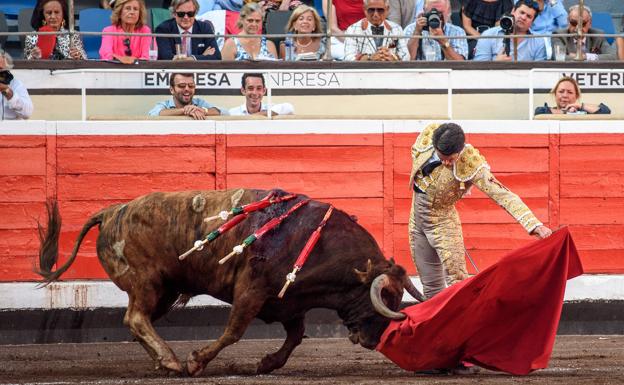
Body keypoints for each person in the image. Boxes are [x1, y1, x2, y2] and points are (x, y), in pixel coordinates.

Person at [408, 122, 551, 299]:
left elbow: (503, 194)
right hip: (416, 222)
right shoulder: (427, 137)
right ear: (434, 145)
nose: (445, 162)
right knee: (430, 286)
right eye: (441, 156)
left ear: (460, 150)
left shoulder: (472, 163)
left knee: (457, 281)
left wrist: (534, 224)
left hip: (443, 224)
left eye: (451, 159)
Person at [473, 0, 547, 61]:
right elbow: (478, 69)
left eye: (529, 16)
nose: (524, 17)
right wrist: (495, 63)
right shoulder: (488, 35)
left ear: (532, 22)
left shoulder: (538, 41)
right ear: (513, 11)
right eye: (522, 12)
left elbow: (539, 72)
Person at [343, 0, 409, 61]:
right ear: (364, 9)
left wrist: (392, 57)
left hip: (390, 71)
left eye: (380, 10)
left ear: (387, 9)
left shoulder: (396, 29)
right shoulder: (352, 29)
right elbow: (348, 57)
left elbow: (406, 56)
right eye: (371, 10)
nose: (375, 15)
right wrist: (369, 58)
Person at [156, 0, 221, 60]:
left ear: (195, 13)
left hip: (198, 71)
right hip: (175, 71)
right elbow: (165, 57)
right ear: (174, 14)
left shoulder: (204, 28)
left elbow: (216, 56)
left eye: (190, 14)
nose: (186, 17)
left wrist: (193, 58)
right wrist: (201, 56)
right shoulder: (163, 29)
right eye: (181, 14)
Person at [551, 5, 616, 62]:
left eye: (583, 24)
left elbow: (612, 57)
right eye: (573, 23)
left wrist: (584, 56)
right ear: (568, 21)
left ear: (590, 23)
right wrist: (594, 57)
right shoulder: (559, 35)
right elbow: (558, 58)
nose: (577, 28)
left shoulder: (598, 35)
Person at [148, 73, 225, 119]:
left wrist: (204, 111)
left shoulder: (199, 103)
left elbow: (225, 112)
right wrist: (185, 110)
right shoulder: (165, 105)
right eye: (182, 86)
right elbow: (153, 114)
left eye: (191, 86)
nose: (187, 89)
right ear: (172, 90)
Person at [534, 76, 611, 116]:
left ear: (576, 96)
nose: (565, 95)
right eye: (561, 91)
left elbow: (605, 111)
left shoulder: (582, 112)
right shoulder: (549, 111)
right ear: (555, 94)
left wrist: (580, 105)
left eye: (570, 92)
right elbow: (539, 112)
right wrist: (566, 112)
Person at [228, 73, 295, 116]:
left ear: (264, 90)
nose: (255, 93)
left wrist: (261, 114)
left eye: (259, 88)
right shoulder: (233, 113)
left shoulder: (270, 109)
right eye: (250, 88)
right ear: (243, 91)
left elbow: (289, 107)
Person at [0, 49, 34, 120]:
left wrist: (9, 93)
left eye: (1, 70)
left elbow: (27, 113)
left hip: (10, 129)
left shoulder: (16, 84)